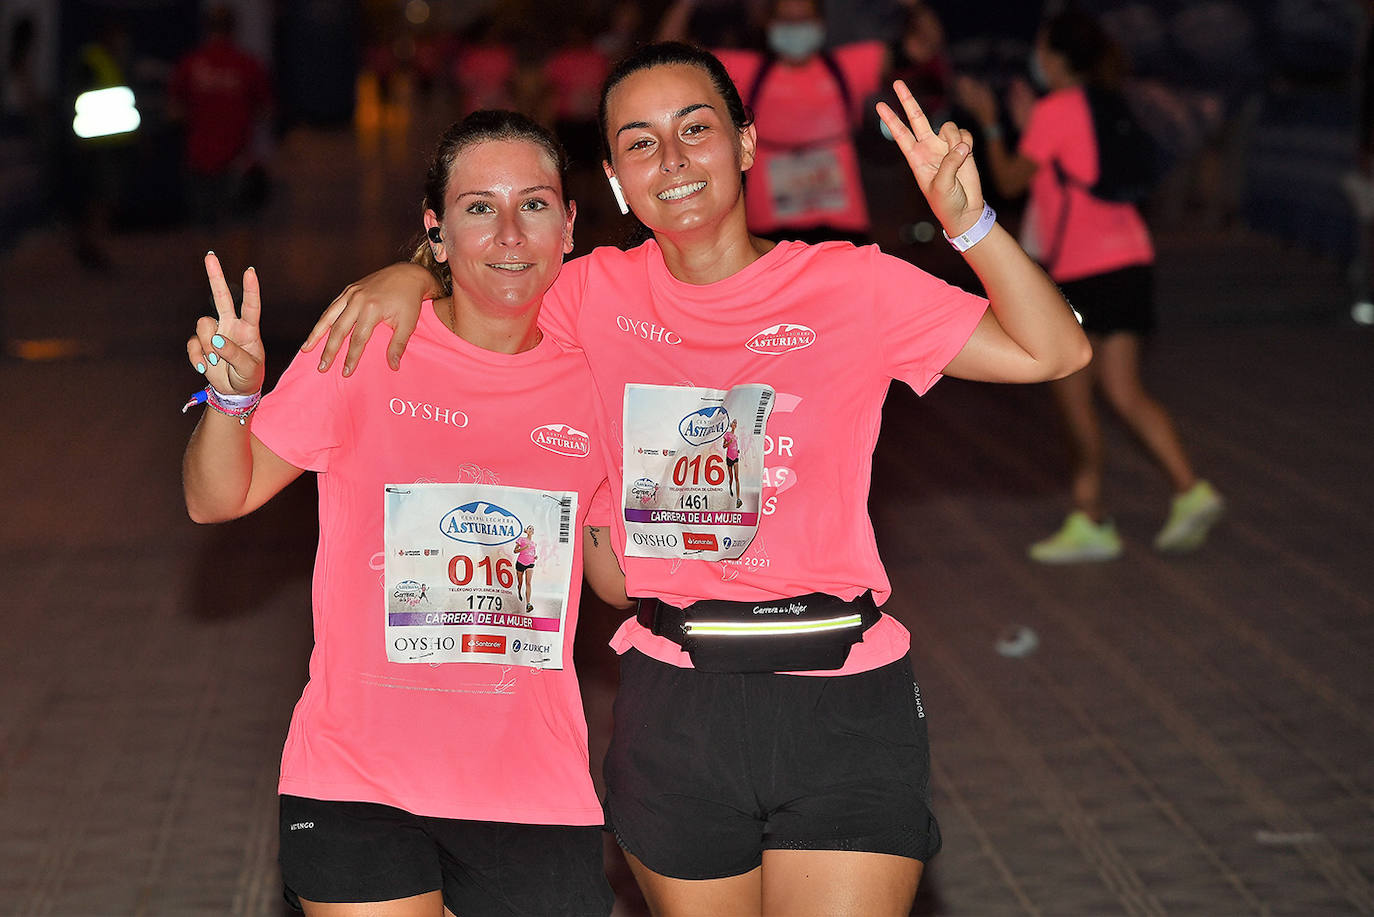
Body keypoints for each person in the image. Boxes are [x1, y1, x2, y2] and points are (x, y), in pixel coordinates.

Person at [303, 41, 1090, 916]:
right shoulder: (586, 294)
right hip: (677, 700)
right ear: (612, 181)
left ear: (747, 144)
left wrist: (969, 225)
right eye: (640, 144)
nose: (672, 161)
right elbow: (485, 281)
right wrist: (408, 274)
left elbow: (1052, 349)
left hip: (843, 700)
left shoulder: (848, 285)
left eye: (696, 129)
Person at [182, 110, 627, 916]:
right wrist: (231, 399)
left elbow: (615, 582)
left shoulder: (597, 378)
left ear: (569, 225)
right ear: (437, 228)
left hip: (531, 787)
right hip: (358, 780)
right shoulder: (368, 341)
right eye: (478, 207)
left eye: (533, 205)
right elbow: (219, 496)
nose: (508, 235)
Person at [955, 9, 1224, 563]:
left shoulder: (1056, 109)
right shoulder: (1109, 101)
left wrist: (992, 121)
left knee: (1072, 391)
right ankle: (1189, 488)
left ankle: (1090, 517)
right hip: (1131, 258)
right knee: (1123, 390)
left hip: (1082, 270)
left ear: (1053, 58)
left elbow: (1006, 181)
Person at [658, 0, 887, 244]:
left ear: (820, 24)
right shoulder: (744, 71)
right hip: (770, 232)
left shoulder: (847, 67)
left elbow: (922, 48)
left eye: (802, 21)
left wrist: (915, 7)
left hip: (843, 228)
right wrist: (686, 5)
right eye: (787, 21)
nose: (795, 28)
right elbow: (670, 63)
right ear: (769, 24)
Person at [513, 524, 537, 611]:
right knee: (520, 583)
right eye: (529, 528)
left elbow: (533, 553)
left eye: (532, 529)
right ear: (526, 531)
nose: (531, 529)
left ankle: (528, 604)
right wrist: (524, 548)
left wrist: (535, 557)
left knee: (528, 583)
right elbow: (515, 551)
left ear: (533, 532)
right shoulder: (521, 539)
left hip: (530, 563)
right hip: (520, 563)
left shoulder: (534, 544)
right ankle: (519, 591)